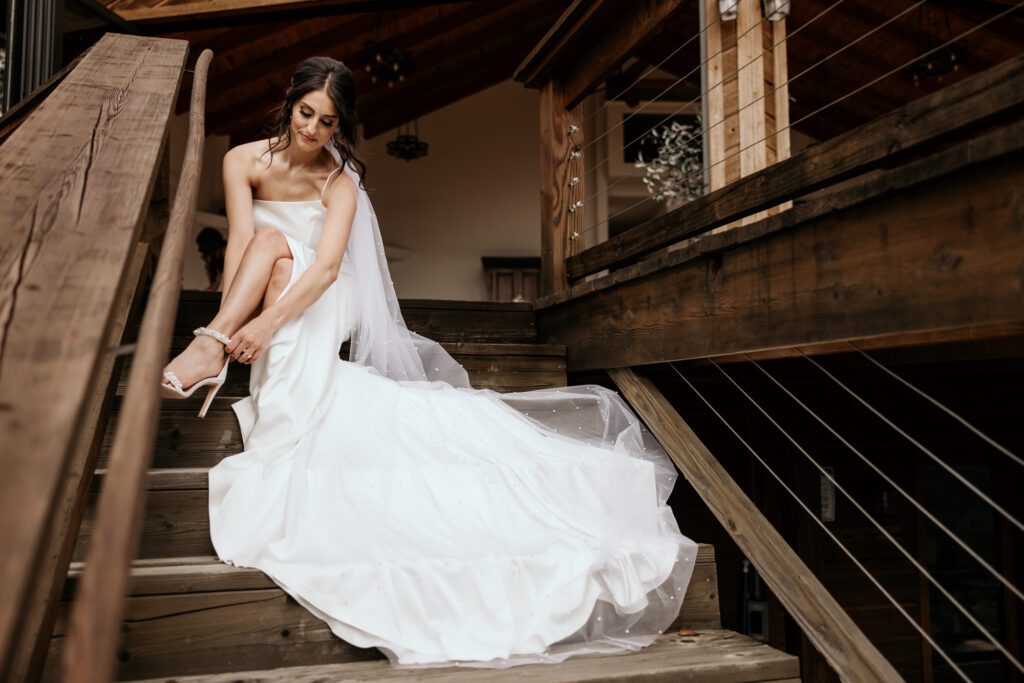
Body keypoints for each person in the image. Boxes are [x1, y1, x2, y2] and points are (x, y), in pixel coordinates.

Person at [159, 56, 698, 669]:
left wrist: (261, 322)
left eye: (327, 122)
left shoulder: (340, 182)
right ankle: (215, 344)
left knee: (283, 253)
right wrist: (236, 312)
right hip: (267, 280)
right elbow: (238, 243)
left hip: (323, 293)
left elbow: (332, 269)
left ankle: (209, 348)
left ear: (341, 126)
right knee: (266, 246)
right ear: (290, 103)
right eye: (306, 113)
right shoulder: (242, 160)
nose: (311, 131)